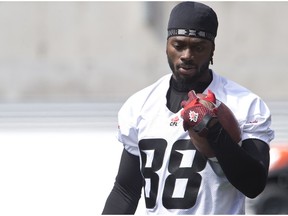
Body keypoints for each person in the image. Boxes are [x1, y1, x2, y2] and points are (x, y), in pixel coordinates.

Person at [102, 1, 274, 214]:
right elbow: (126, 190)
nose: (187, 55)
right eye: (179, 45)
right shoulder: (140, 105)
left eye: (198, 47)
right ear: (166, 45)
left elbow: (254, 185)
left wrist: (214, 131)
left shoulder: (245, 104)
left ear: (212, 49)